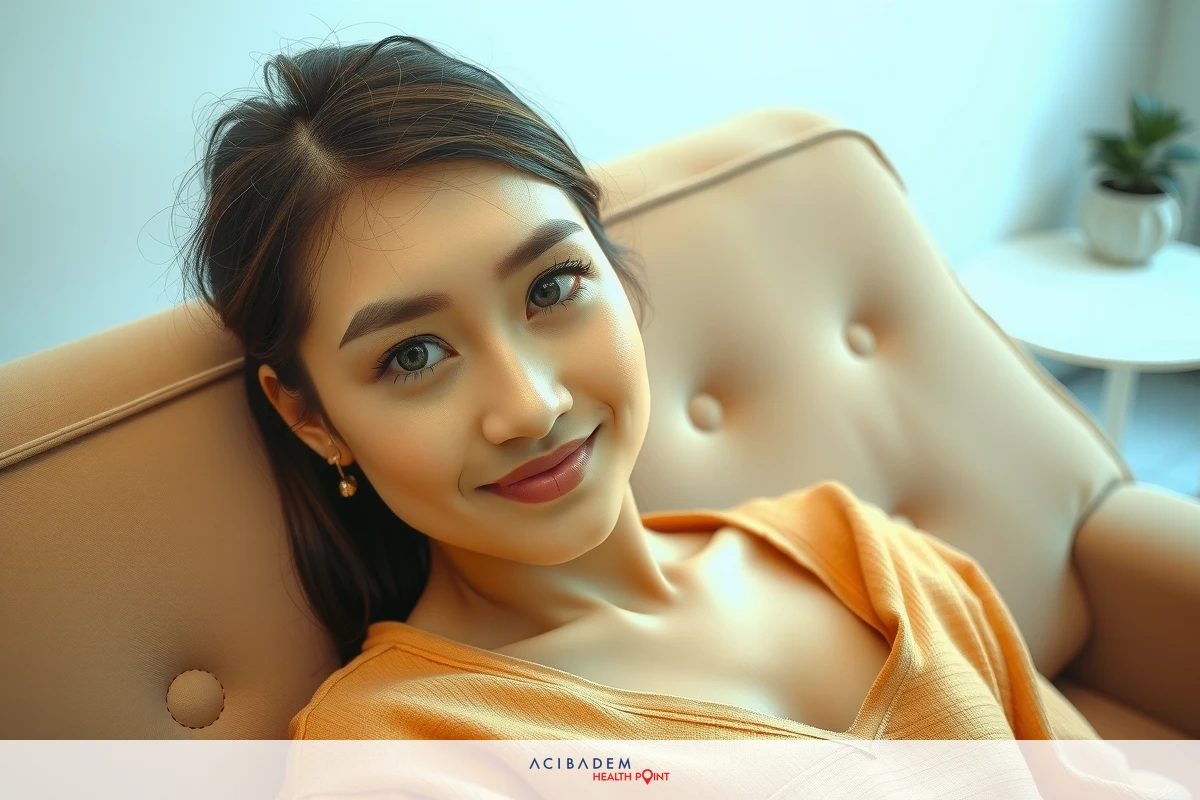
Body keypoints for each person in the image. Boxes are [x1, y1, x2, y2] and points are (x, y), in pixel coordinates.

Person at [179, 34, 1100, 741]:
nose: (531, 406)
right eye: (415, 356)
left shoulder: (867, 555)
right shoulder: (405, 747)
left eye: (550, 287)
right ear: (309, 416)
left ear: (617, 276)